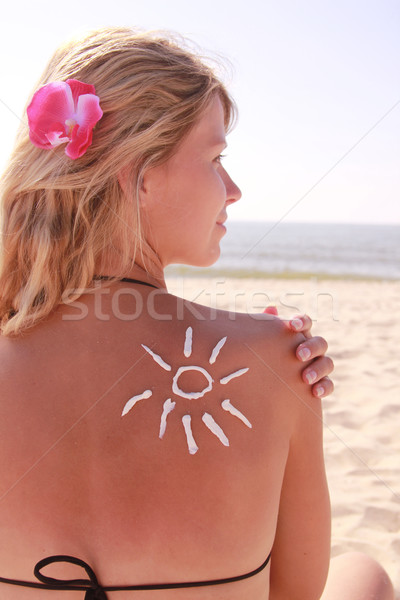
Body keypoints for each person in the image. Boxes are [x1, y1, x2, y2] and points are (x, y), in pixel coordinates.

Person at [0, 27, 393, 600]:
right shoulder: (277, 359)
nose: (232, 190)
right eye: (215, 158)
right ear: (138, 176)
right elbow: (296, 593)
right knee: (365, 573)